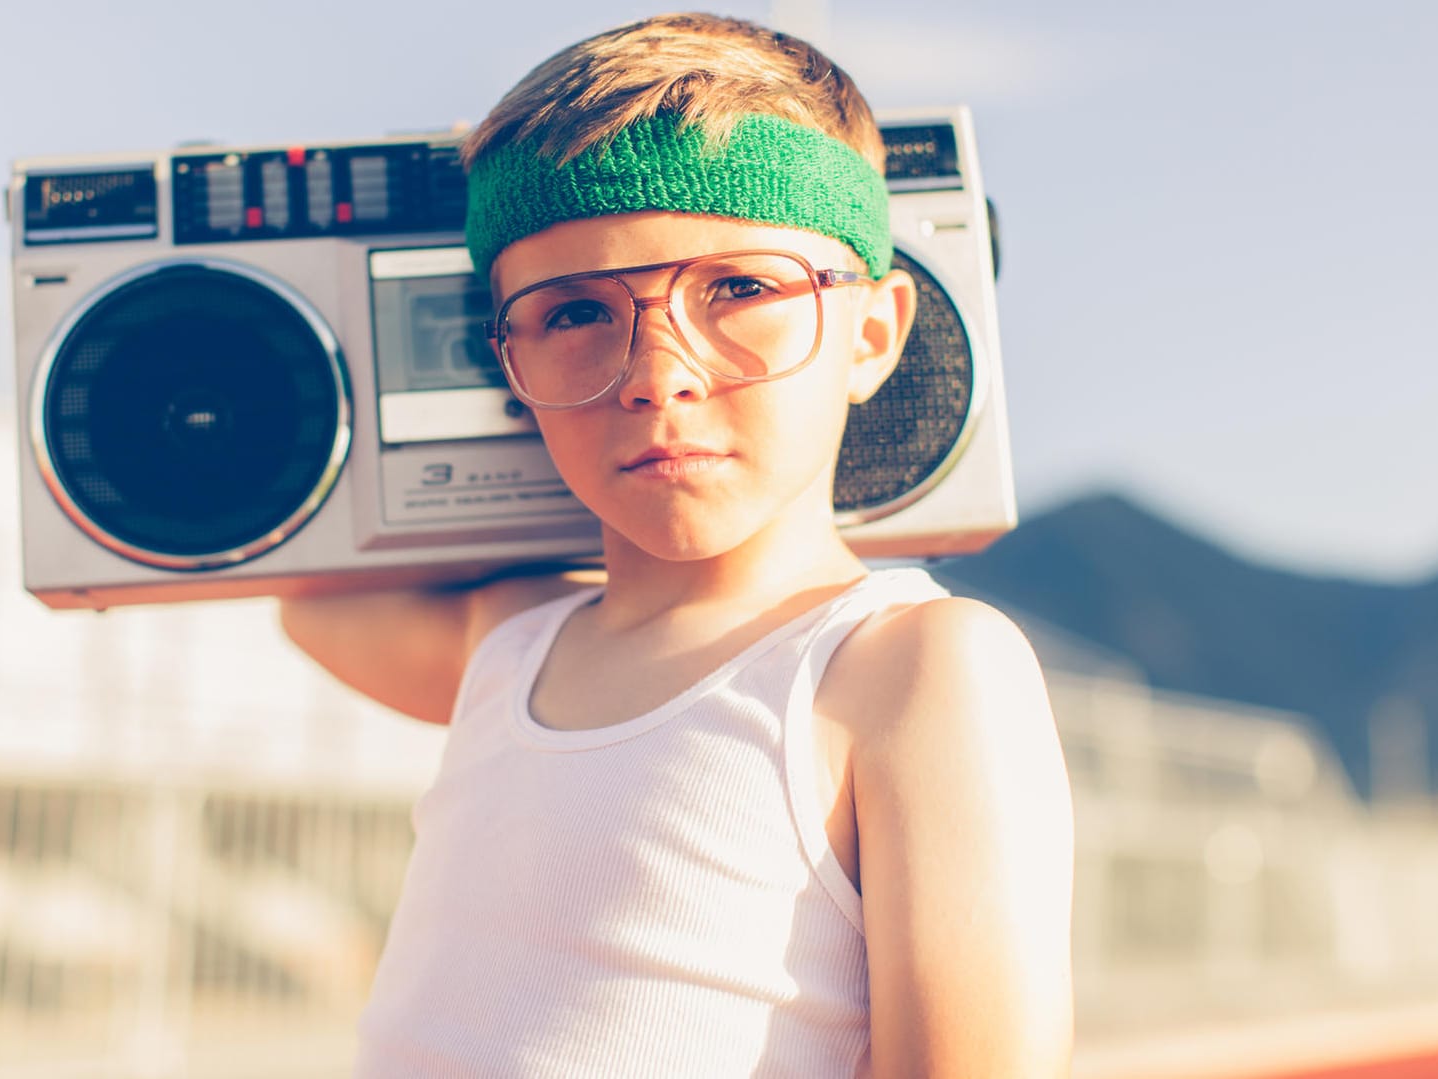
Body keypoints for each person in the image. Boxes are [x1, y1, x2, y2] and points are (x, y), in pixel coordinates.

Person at [281, 12, 1073, 1076]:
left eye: (740, 288)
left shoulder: (908, 667)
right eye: (571, 314)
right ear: (502, 361)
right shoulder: (509, 639)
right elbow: (301, 590)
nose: (658, 370)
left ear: (874, 334)